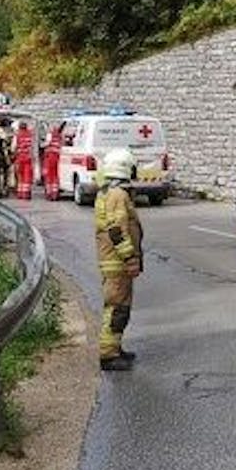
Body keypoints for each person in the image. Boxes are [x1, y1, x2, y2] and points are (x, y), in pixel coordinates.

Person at [95, 148, 143, 371]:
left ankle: (114, 347)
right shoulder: (118, 195)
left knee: (119, 306)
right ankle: (108, 355)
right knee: (116, 307)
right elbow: (117, 230)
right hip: (117, 261)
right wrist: (130, 257)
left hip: (113, 260)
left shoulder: (109, 192)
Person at [14, 119, 36, 200]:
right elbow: (33, 146)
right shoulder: (30, 135)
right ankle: (26, 193)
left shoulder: (17, 135)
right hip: (28, 157)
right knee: (27, 175)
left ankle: (20, 193)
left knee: (20, 175)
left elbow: (14, 147)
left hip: (20, 157)